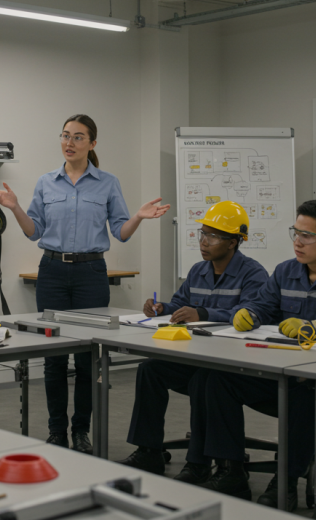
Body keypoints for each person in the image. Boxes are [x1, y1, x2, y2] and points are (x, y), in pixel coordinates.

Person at [0, 114, 169, 454]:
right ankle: (57, 431)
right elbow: (34, 232)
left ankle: (81, 430)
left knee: (88, 356)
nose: (69, 143)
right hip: (53, 273)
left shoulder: (107, 183)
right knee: (54, 357)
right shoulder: (46, 182)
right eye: (65, 136)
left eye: (77, 137)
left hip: (90, 274)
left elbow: (120, 233)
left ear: (92, 143)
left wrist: (138, 218)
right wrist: (14, 208)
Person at [198, 199, 316, 510]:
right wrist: (247, 313)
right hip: (284, 373)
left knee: (304, 390)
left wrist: (315, 328)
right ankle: (231, 471)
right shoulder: (284, 272)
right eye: (295, 232)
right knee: (218, 379)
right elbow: (262, 305)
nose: (298, 241)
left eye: (307, 236)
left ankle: (286, 480)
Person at [115, 201, 269, 482]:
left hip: (232, 366)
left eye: (213, 236)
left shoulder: (253, 274)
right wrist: (162, 307)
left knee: (203, 379)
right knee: (150, 369)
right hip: (198, 355)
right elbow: (180, 304)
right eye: (202, 234)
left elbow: (251, 314)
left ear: (233, 242)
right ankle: (149, 451)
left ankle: (198, 463)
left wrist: (204, 312)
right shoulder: (199, 270)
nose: (204, 242)